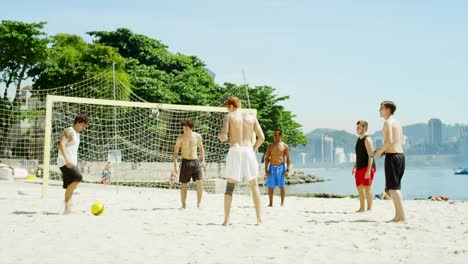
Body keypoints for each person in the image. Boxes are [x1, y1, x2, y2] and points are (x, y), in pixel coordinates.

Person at [218, 96, 265, 226]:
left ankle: (226, 220)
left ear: (231, 106)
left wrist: (220, 135)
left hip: (236, 150)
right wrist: (253, 149)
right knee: (254, 186)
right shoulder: (251, 117)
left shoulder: (229, 116)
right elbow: (261, 137)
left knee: (229, 187)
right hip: (248, 151)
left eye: (227, 107)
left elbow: (223, 137)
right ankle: (259, 219)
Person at [374, 101, 406, 223]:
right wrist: (382, 151)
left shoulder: (387, 122)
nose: (379, 111)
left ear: (387, 110)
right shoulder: (397, 123)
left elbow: (389, 142)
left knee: (393, 188)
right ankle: (398, 216)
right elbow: (399, 142)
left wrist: (378, 153)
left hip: (393, 157)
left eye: (381, 108)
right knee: (395, 187)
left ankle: (402, 217)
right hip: (400, 156)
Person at [57, 114, 89, 214]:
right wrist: (67, 160)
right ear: (78, 122)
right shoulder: (69, 131)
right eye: (83, 125)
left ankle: (67, 208)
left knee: (70, 186)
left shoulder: (77, 133)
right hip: (65, 162)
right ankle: (68, 206)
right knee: (78, 177)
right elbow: (61, 144)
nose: (85, 128)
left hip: (71, 163)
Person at [172, 119, 206, 209]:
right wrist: (175, 165)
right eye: (183, 128)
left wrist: (203, 160)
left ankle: (199, 204)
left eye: (186, 128)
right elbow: (175, 153)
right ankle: (183, 205)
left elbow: (201, 148)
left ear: (191, 128)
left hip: (195, 162)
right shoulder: (180, 138)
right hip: (185, 162)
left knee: (200, 182)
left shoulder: (198, 136)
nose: (184, 130)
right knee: (184, 185)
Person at [352, 120, 376, 212]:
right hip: (359, 167)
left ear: (364, 128)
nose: (357, 129)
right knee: (360, 188)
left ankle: (369, 209)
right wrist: (354, 167)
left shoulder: (367, 139)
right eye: (357, 127)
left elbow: (372, 154)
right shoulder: (358, 139)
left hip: (367, 167)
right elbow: (359, 155)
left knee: (367, 188)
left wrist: (369, 170)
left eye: (359, 127)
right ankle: (362, 208)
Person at [265, 129, 291, 207]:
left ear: (280, 136)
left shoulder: (285, 146)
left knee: (282, 186)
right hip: (272, 167)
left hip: (281, 167)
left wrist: (287, 170)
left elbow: (288, 159)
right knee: (270, 187)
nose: (275, 136)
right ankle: (270, 203)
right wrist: (266, 170)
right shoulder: (270, 146)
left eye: (276, 135)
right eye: (274, 135)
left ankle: (282, 203)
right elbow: (266, 159)